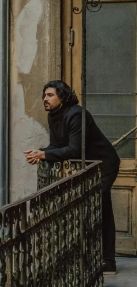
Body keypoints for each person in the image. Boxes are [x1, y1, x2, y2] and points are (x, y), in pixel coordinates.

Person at [24, 80, 120, 274]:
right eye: (44, 95)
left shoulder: (77, 115)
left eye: (50, 95)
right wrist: (41, 153)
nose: (45, 99)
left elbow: (75, 149)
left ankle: (107, 262)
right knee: (90, 210)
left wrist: (45, 155)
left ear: (63, 96)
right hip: (87, 166)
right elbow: (57, 145)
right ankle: (89, 259)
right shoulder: (54, 115)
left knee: (100, 208)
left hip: (103, 164)